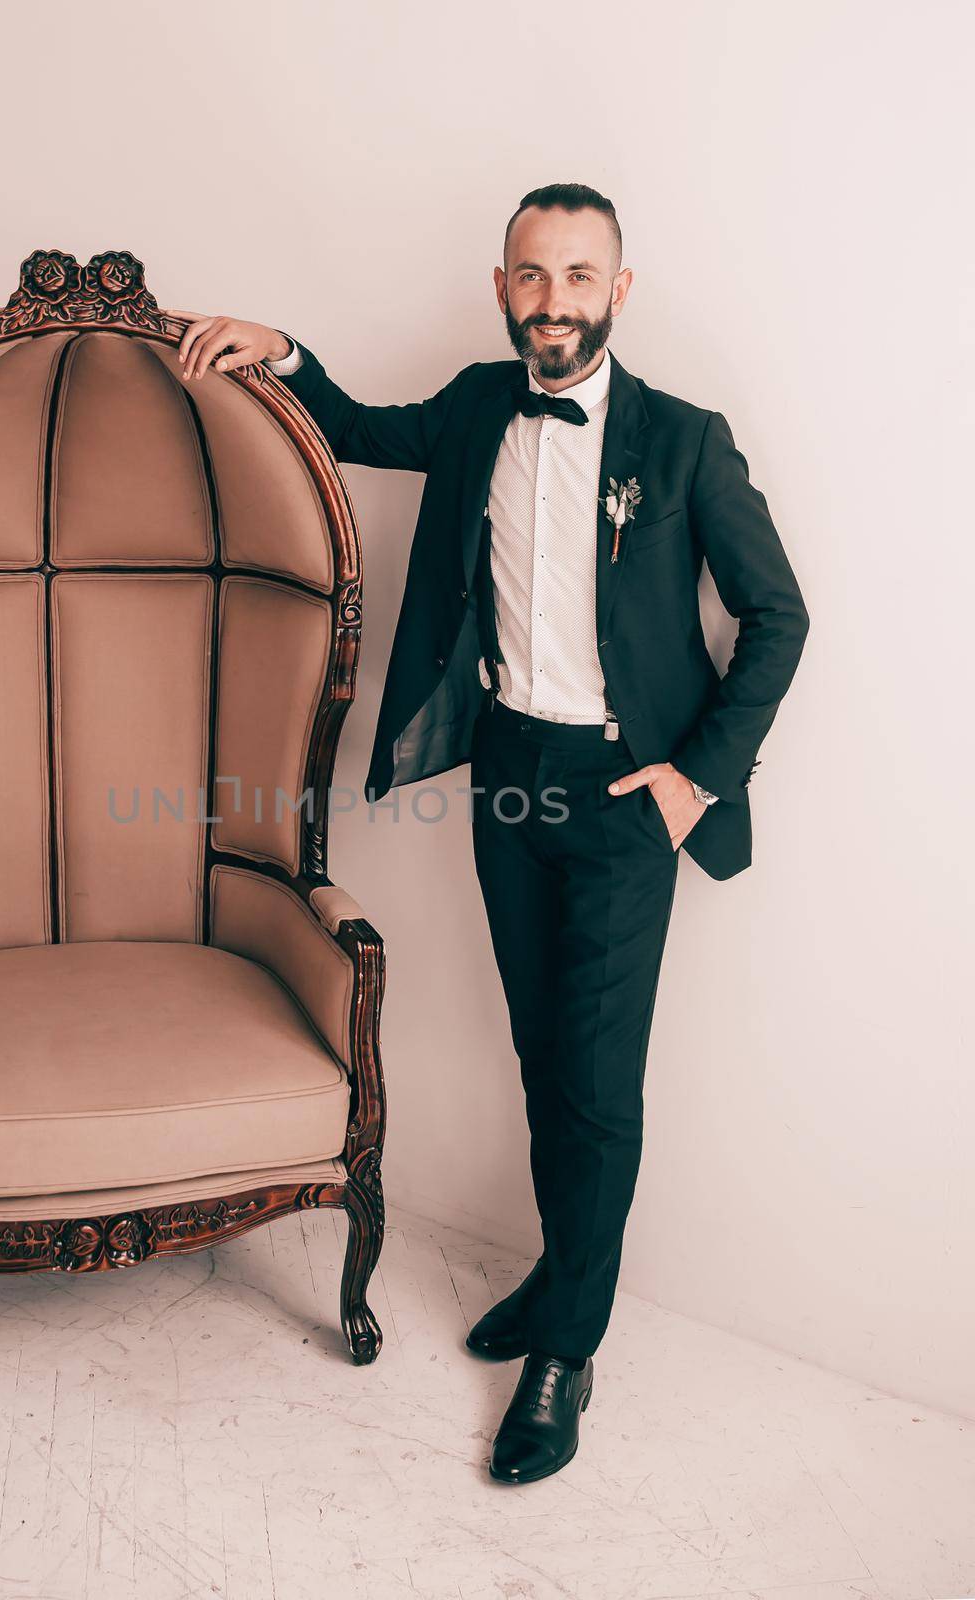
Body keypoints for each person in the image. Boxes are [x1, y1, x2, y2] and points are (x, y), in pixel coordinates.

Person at [175, 182, 810, 1486]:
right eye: (532, 275)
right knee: (540, 1051)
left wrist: (698, 774)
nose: (554, 300)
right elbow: (353, 427)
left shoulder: (685, 442)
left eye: (580, 276)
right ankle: (557, 1278)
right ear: (503, 285)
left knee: (597, 1077)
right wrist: (280, 352)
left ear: (618, 292)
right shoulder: (474, 403)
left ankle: (567, 1347)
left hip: (632, 796)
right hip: (510, 775)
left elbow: (779, 617)